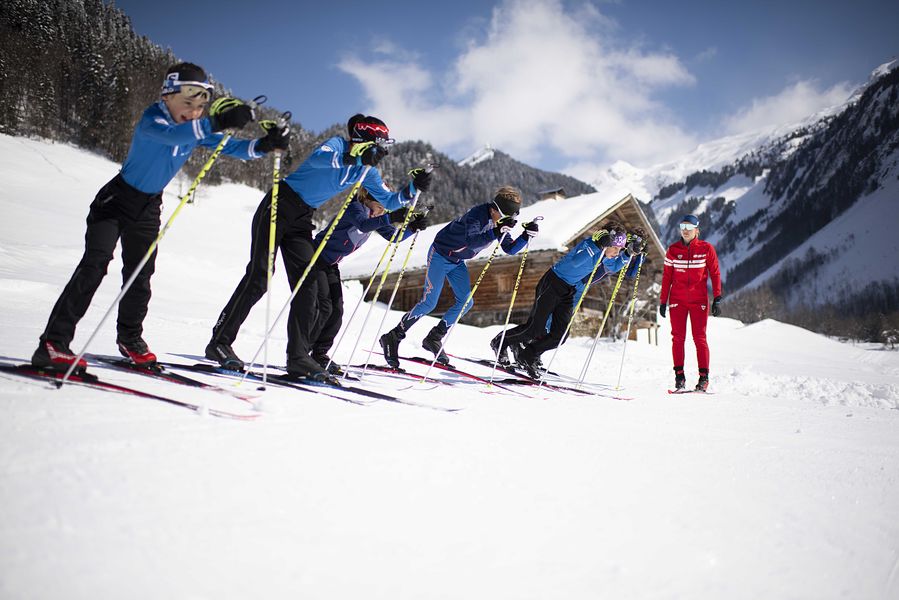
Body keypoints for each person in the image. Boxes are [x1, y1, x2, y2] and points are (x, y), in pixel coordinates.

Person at [31, 62, 287, 371]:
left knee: (140, 275)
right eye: (187, 102)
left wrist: (266, 144)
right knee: (95, 266)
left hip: (148, 207)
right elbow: (173, 136)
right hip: (115, 201)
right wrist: (216, 120)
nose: (194, 111)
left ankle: (130, 338)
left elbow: (232, 148)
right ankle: (53, 343)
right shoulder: (153, 118)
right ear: (167, 96)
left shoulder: (196, 127)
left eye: (200, 106)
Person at [206, 114, 431, 379]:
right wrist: (356, 159)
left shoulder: (368, 171)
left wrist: (412, 189)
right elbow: (320, 160)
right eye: (380, 142)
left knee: (308, 284)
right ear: (365, 139)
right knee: (260, 276)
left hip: (302, 217)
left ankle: (299, 357)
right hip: (280, 203)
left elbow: (390, 201)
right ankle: (219, 342)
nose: (383, 149)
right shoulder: (336, 145)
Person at [379, 186, 537, 368]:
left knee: (466, 302)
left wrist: (526, 235)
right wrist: (496, 231)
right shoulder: (477, 215)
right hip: (439, 254)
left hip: (457, 261)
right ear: (494, 209)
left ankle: (434, 338)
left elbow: (510, 249)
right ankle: (393, 336)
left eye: (509, 218)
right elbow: (472, 240)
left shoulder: (498, 222)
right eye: (503, 217)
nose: (505, 221)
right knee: (429, 302)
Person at [305, 187, 429, 374]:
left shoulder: (376, 218)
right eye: (380, 206)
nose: (381, 211)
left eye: (384, 209)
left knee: (337, 309)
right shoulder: (355, 208)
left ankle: (319, 354)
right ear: (367, 199)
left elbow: (394, 237)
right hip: (316, 258)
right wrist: (390, 217)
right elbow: (362, 225)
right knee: (325, 308)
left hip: (331, 265)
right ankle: (302, 354)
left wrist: (412, 227)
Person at [494, 223, 645, 377]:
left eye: (620, 249)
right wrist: (598, 245)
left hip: (568, 290)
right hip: (553, 283)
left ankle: (528, 356)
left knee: (560, 335)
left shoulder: (604, 255)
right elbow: (575, 262)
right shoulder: (589, 245)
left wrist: (628, 254)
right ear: (606, 242)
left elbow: (614, 267)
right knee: (536, 328)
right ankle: (500, 342)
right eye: (616, 248)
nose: (617, 252)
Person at [658, 214, 722, 392]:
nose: (685, 230)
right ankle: (679, 377)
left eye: (689, 227)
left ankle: (704, 378)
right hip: (677, 300)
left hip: (699, 300)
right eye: (682, 227)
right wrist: (663, 301)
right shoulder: (672, 250)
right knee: (677, 339)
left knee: (699, 338)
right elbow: (667, 277)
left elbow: (715, 273)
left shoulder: (706, 249)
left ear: (697, 230)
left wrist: (717, 297)